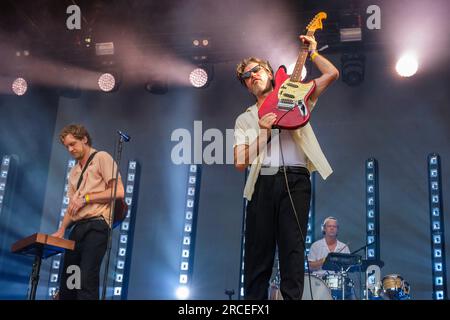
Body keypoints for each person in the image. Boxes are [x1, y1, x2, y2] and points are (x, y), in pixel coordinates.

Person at [233, 35, 339, 300]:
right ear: (247, 86)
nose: (252, 76)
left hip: (295, 179)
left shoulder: (294, 96)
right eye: (246, 76)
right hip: (263, 183)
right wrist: (264, 133)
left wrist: (312, 53)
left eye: (256, 70)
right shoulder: (245, 118)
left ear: (269, 72)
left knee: (293, 249)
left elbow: (332, 74)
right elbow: (239, 161)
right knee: (258, 254)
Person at [51, 124, 124, 300]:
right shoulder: (74, 172)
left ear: (84, 139)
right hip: (77, 228)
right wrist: (61, 230)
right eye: (67, 146)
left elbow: (119, 191)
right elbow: (72, 206)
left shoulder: (101, 157)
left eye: (73, 144)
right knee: (70, 281)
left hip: (97, 225)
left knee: (86, 279)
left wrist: (87, 198)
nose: (70, 149)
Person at [308, 216, 354, 300]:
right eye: (329, 226)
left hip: (339, 284)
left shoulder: (344, 247)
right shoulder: (316, 246)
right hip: (319, 283)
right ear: (324, 229)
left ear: (337, 230)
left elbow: (349, 267)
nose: (332, 228)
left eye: (334, 226)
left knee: (351, 293)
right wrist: (324, 260)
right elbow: (310, 266)